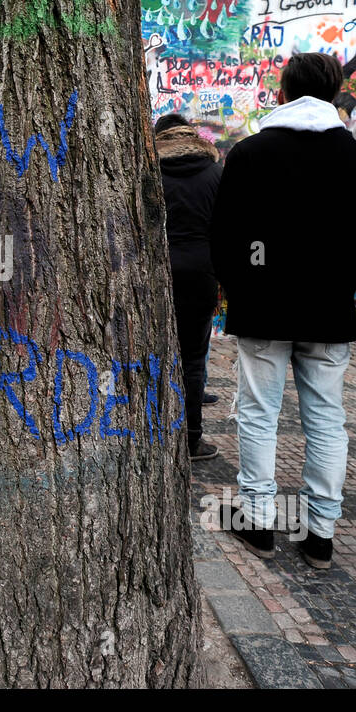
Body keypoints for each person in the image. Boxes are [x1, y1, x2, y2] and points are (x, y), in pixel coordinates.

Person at [210, 52, 356, 569]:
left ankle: (259, 520)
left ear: (282, 90)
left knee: (258, 413)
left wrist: (245, 284)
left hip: (264, 310)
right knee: (326, 420)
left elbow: (224, 235)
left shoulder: (251, 153)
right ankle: (321, 534)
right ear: (336, 90)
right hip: (327, 310)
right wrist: (344, 275)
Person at [157, 112, 222, 460]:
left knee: (150, 355)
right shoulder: (215, 173)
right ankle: (190, 439)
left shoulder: (148, 172)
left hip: (155, 274)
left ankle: (150, 434)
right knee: (193, 360)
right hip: (200, 275)